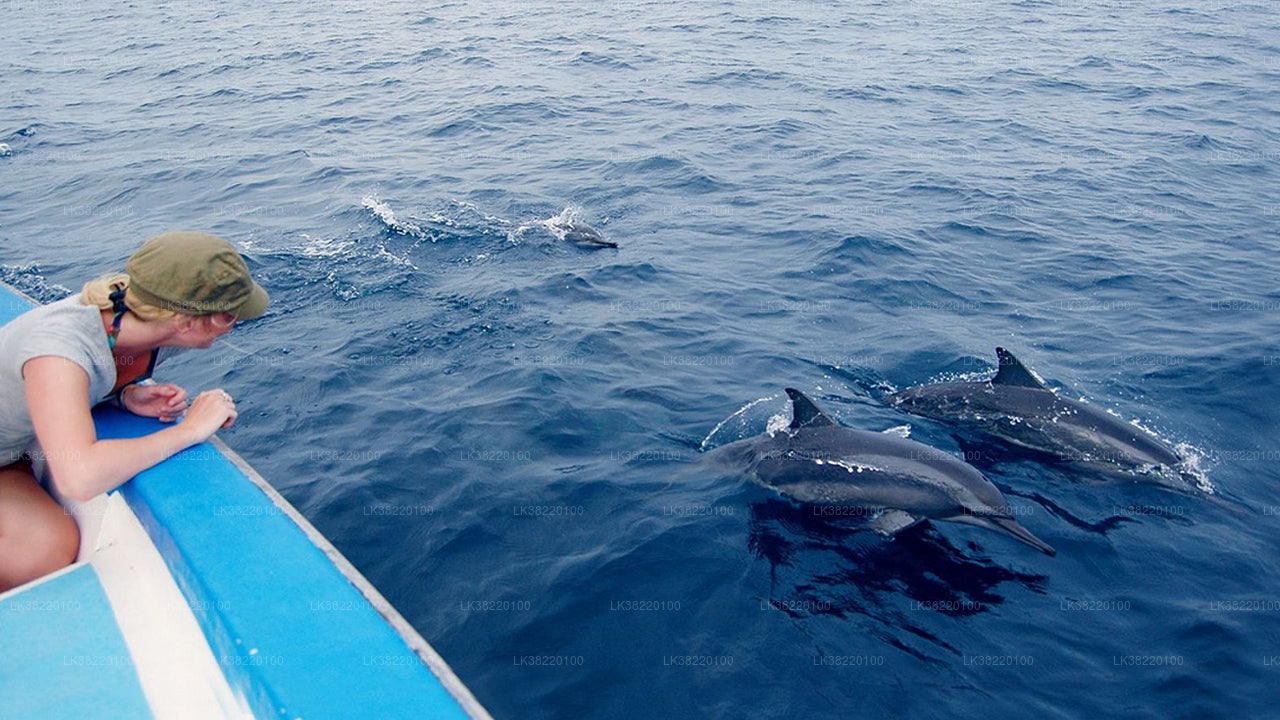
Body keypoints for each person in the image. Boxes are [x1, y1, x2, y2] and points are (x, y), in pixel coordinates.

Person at [0, 231, 268, 592]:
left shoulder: (130, 318)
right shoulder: (57, 350)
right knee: (40, 553)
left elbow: (90, 369)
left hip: (9, 458)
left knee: (44, 547)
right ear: (186, 322)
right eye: (230, 316)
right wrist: (189, 430)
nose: (236, 325)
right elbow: (79, 477)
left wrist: (122, 395)